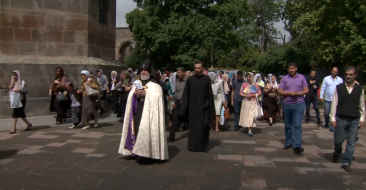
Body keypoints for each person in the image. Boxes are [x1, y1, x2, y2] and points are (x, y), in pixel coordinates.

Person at [118, 58, 169, 161]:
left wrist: (146, 94)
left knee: (145, 130)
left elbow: (157, 97)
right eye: (142, 70)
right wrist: (134, 93)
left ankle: (145, 154)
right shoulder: (137, 82)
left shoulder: (155, 85)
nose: (143, 72)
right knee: (135, 129)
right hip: (137, 112)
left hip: (148, 114)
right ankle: (134, 151)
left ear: (150, 71)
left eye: (146, 70)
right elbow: (130, 96)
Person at [330, 66, 365, 172]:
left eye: (351, 74)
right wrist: (333, 118)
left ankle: (346, 162)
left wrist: (362, 118)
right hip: (341, 118)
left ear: (355, 75)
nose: (348, 76)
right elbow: (334, 103)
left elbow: (362, 105)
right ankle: (337, 151)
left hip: (354, 119)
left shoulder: (359, 89)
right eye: (346, 74)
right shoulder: (339, 88)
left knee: (351, 142)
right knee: (339, 140)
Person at [180, 61, 215, 152]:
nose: (197, 70)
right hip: (193, 109)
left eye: (199, 68)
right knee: (193, 129)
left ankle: (203, 146)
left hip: (204, 108)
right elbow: (186, 94)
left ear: (202, 68)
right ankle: (193, 146)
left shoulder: (206, 79)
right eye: (195, 68)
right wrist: (184, 107)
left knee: (203, 128)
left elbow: (209, 95)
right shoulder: (190, 79)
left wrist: (211, 111)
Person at [278, 62, 309, 154]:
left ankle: (298, 145)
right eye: (289, 68)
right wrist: (289, 93)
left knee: (297, 125)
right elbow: (280, 91)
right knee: (288, 125)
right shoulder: (284, 78)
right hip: (287, 104)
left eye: (293, 68)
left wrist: (298, 93)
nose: (291, 70)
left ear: (296, 68)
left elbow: (306, 90)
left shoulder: (301, 77)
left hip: (299, 104)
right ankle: (288, 142)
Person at [320, 67, 343, 132]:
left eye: (336, 72)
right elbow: (323, 87)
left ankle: (332, 125)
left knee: (333, 113)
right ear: (331, 71)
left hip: (336, 100)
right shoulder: (326, 78)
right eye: (333, 71)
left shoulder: (340, 80)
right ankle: (326, 122)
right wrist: (321, 96)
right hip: (327, 98)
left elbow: (342, 89)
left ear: (337, 72)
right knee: (326, 112)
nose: (334, 73)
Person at [168, 68, 187, 142]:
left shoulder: (187, 81)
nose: (178, 74)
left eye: (179, 72)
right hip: (178, 101)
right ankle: (171, 136)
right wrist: (174, 100)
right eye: (177, 73)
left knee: (183, 117)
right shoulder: (178, 81)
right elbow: (176, 92)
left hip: (185, 102)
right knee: (175, 118)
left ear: (183, 72)